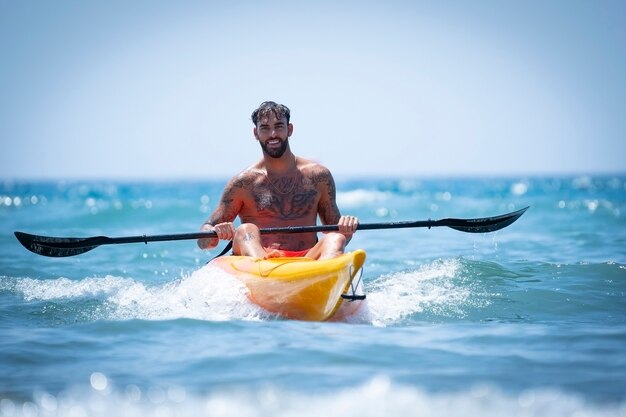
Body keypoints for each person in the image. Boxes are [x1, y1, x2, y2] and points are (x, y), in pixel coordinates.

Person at [197, 101, 359, 260]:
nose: (273, 134)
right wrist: (215, 233)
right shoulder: (243, 183)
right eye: (265, 128)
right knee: (245, 230)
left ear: (289, 129)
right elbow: (203, 240)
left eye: (279, 126)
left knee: (335, 239)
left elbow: (336, 230)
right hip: (259, 260)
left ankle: (326, 278)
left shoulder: (319, 177)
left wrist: (346, 229)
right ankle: (265, 273)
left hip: (306, 260)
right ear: (256, 133)